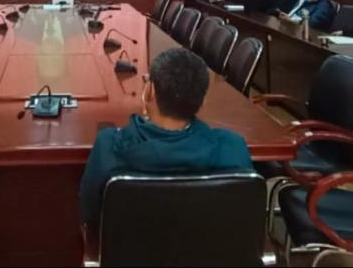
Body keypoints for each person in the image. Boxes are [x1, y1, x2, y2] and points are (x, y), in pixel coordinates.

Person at [79, 48, 253, 224]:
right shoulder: (234, 148)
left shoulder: (108, 147)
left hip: (129, 241)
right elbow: (244, 215)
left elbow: (90, 214)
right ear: (202, 102)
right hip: (210, 241)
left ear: (150, 91)